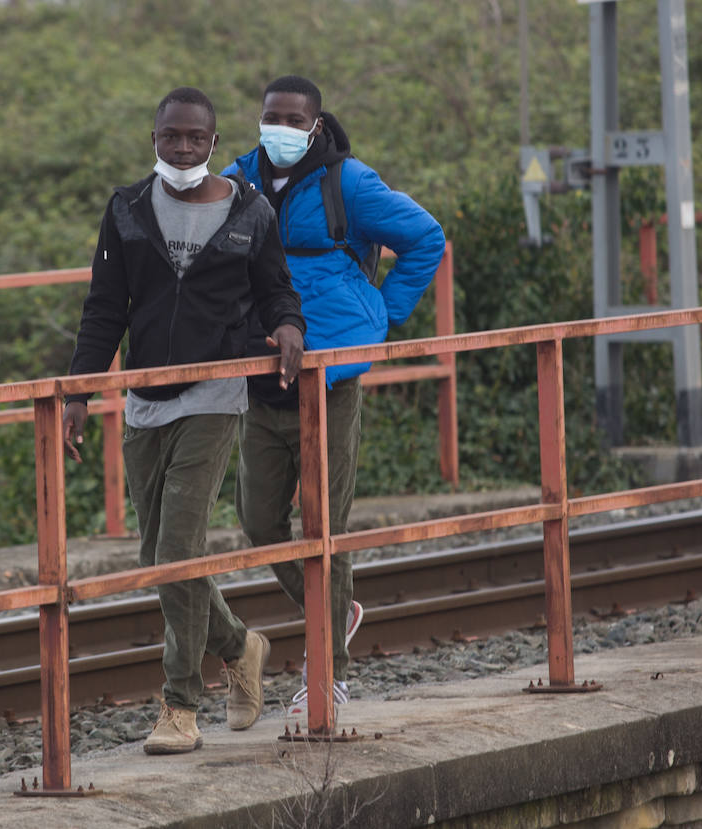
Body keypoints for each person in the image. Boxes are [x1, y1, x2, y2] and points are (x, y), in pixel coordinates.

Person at [62, 86, 306, 755]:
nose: (183, 148)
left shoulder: (250, 211)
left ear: (214, 144)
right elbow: (104, 306)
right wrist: (79, 393)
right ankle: (240, 645)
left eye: (196, 138)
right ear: (154, 140)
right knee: (158, 556)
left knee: (176, 554)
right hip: (146, 395)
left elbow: (275, 288)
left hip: (215, 393)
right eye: (172, 137)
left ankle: (180, 704)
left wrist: (288, 325)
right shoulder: (128, 210)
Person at [224, 75, 445, 720]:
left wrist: (383, 311)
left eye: (294, 118)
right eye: (272, 116)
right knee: (260, 523)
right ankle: (338, 609)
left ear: (315, 125)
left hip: (330, 378)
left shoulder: (348, 183)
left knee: (326, 528)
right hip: (263, 373)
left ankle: (327, 677)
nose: (281, 128)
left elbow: (424, 237)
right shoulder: (239, 180)